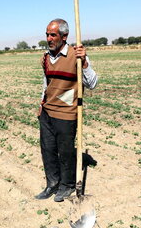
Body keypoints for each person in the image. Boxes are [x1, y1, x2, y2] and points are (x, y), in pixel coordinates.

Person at [35, 18, 98, 202]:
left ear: (64, 36)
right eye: (47, 34)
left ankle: (67, 185)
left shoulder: (76, 56)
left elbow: (93, 83)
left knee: (66, 151)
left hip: (66, 112)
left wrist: (84, 62)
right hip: (47, 112)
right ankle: (52, 184)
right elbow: (46, 83)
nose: (49, 38)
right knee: (48, 150)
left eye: (53, 34)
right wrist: (41, 104)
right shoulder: (46, 57)